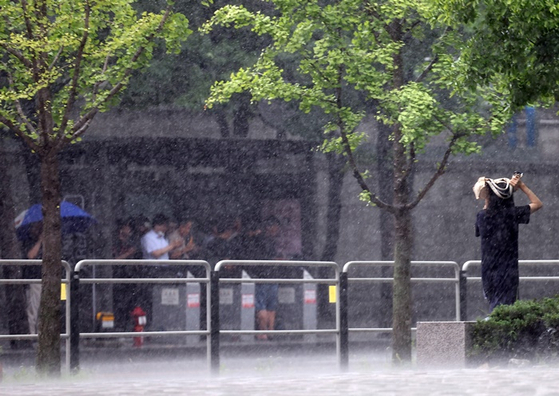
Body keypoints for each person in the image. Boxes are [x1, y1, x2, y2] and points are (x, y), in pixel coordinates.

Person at [473, 173, 543, 312]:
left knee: (494, 303)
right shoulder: (512, 214)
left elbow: (487, 208)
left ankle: (494, 326)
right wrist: (521, 186)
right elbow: (537, 203)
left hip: (488, 268)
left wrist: (490, 192)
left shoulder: (482, 216)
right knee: (507, 305)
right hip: (508, 267)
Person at [21, 222, 43, 334]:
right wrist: (39, 241)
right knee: (34, 307)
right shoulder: (30, 241)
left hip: (46, 278)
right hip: (36, 278)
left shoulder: (49, 242)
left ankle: (40, 332)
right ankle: (32, 333)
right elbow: (30, 256)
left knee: (42, 307)